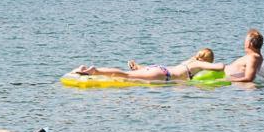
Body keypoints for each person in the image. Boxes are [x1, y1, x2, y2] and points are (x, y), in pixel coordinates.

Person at [70, 48, 225, 82]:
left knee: (127, 74)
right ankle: (94, 71)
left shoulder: (189, 61)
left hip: (160, 69)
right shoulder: (199, 64)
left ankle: (89, 70)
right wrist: (217, 65)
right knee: (126, 75)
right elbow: (220, 67)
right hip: (164, 75)